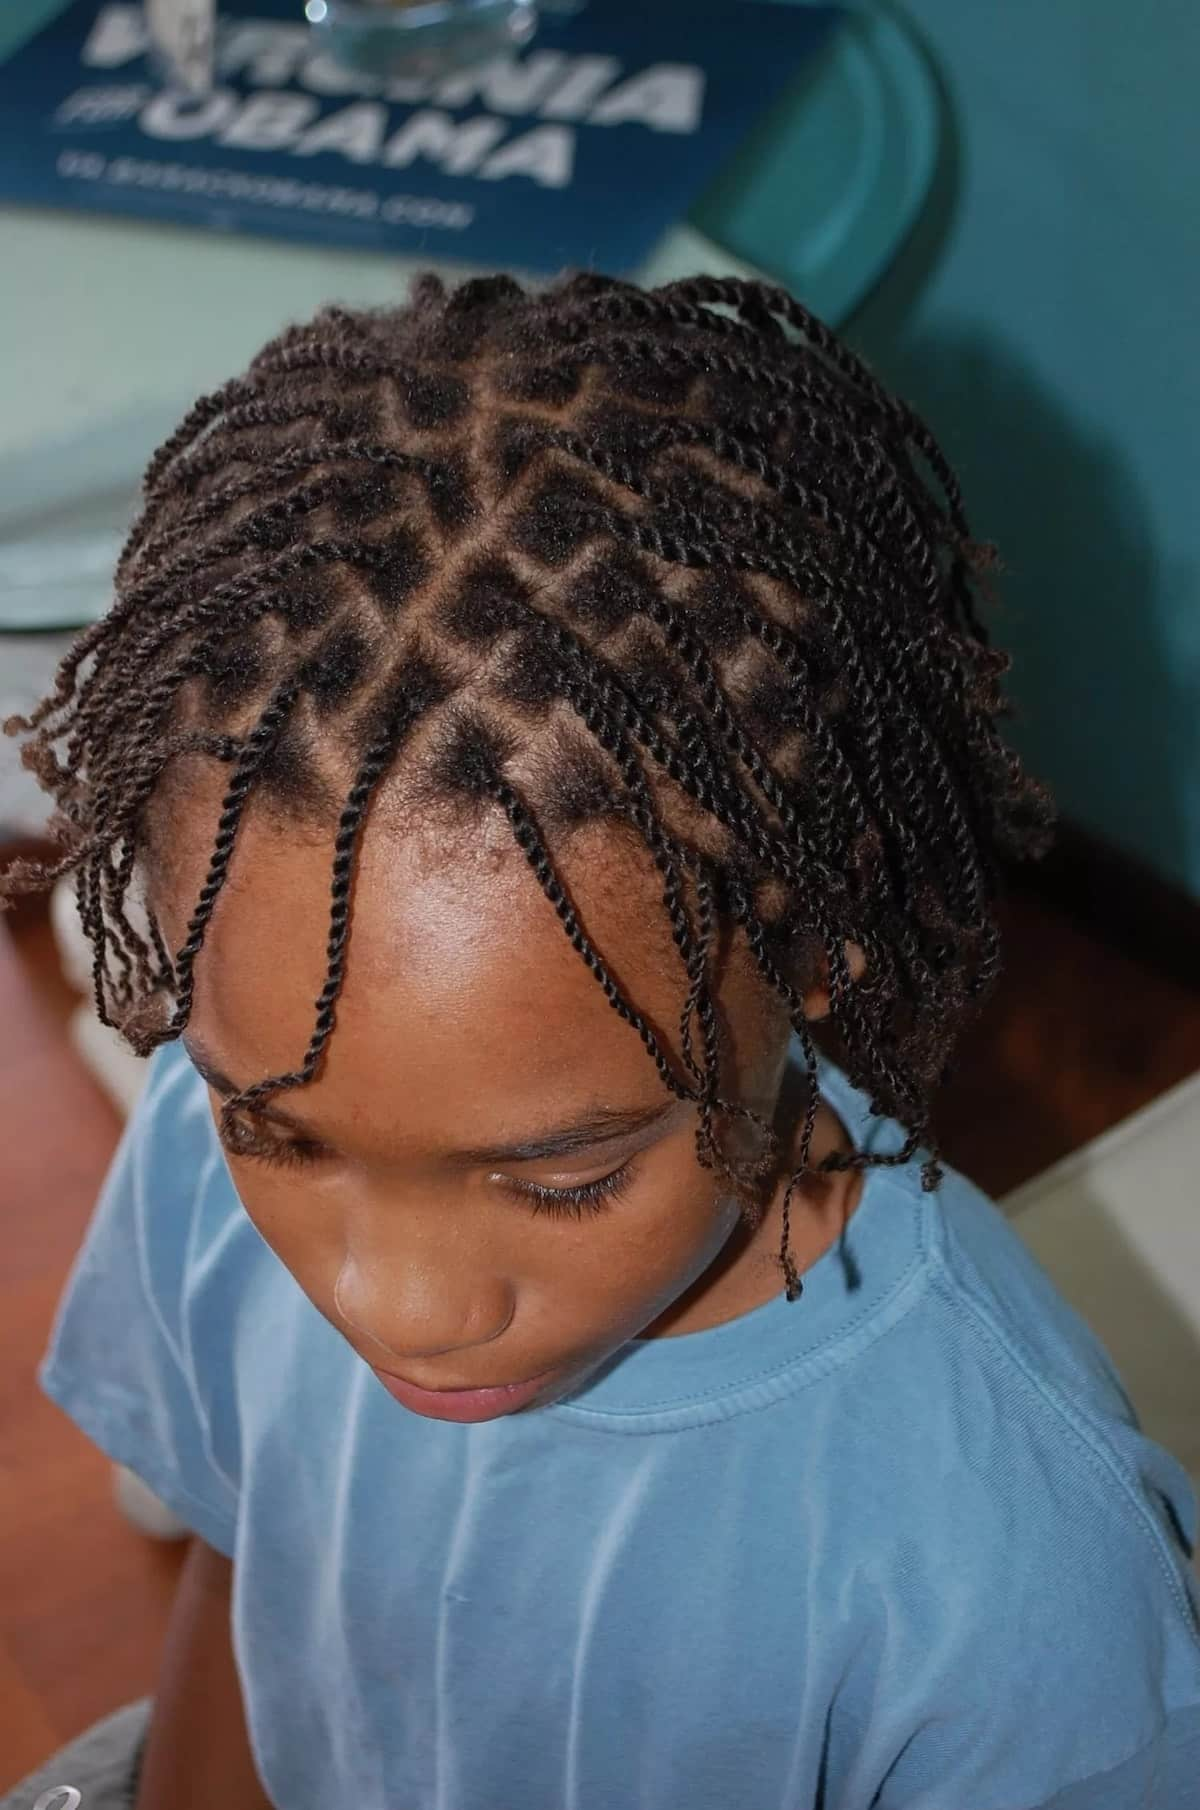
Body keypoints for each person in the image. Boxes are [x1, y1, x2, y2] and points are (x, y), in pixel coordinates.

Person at [3, 269, 1198, 1810]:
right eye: (278, 1136)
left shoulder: (1018, 1586)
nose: (399, 1308)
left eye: (563, 1178)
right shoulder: (208, 1108)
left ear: (813, 939)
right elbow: (247, 1561)